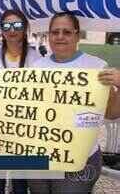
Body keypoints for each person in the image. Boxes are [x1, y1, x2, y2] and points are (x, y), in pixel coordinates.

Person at [28, 11, 120, 193]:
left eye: (67, 32)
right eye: (55, 32)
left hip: (81, 158)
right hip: (40, 157)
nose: (60, 37)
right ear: (49, 36)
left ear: (77, 35)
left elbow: (111, 113)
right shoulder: (37, 67)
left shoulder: (97, 66)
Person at [0, 9, 42, 194]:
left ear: (25, 29)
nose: (12, 30)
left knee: (20, 177)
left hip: (24, 124)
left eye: (17, 25)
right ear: (1, 30)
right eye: (7, 26)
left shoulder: (36, 57)